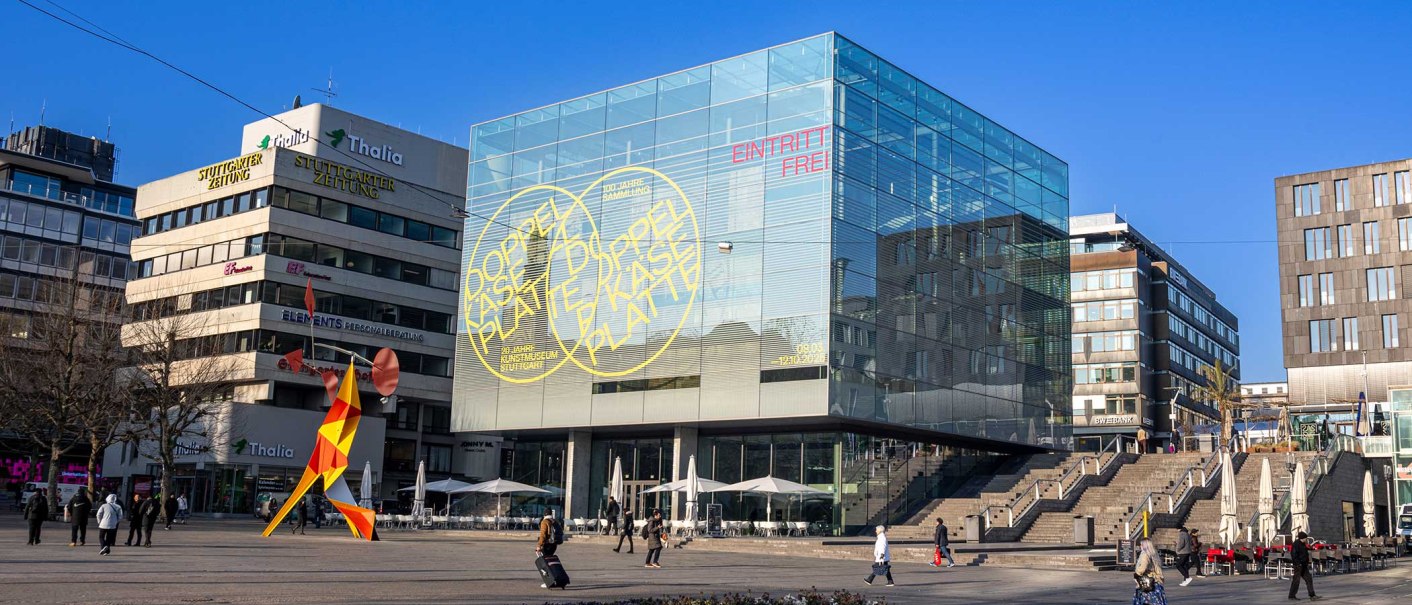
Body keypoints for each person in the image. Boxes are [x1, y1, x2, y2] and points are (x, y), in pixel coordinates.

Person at [1288, 532, 1321, 601]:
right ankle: (1291, 596)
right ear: (1302, 538)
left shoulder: (1303, 544)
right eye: (1305, 538)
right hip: (1298, 565)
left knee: (1309, 579)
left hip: (1304, 565)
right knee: (1296, 581)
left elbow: (1304, 551)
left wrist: (1311, 548)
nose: (1306, 539)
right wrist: (1298, 563)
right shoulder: (1296, 544)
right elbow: (1294, 555)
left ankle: (1312, 595)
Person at [1133, 538, 1167, 604]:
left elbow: (1142, 568)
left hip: (1147, 583)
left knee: (1145, 601)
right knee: (1157, 601)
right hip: (1156, 581)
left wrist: (1136, 574)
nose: (1140, 546)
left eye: (1141, 544)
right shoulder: (1154, 553)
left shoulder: (1145, 554)